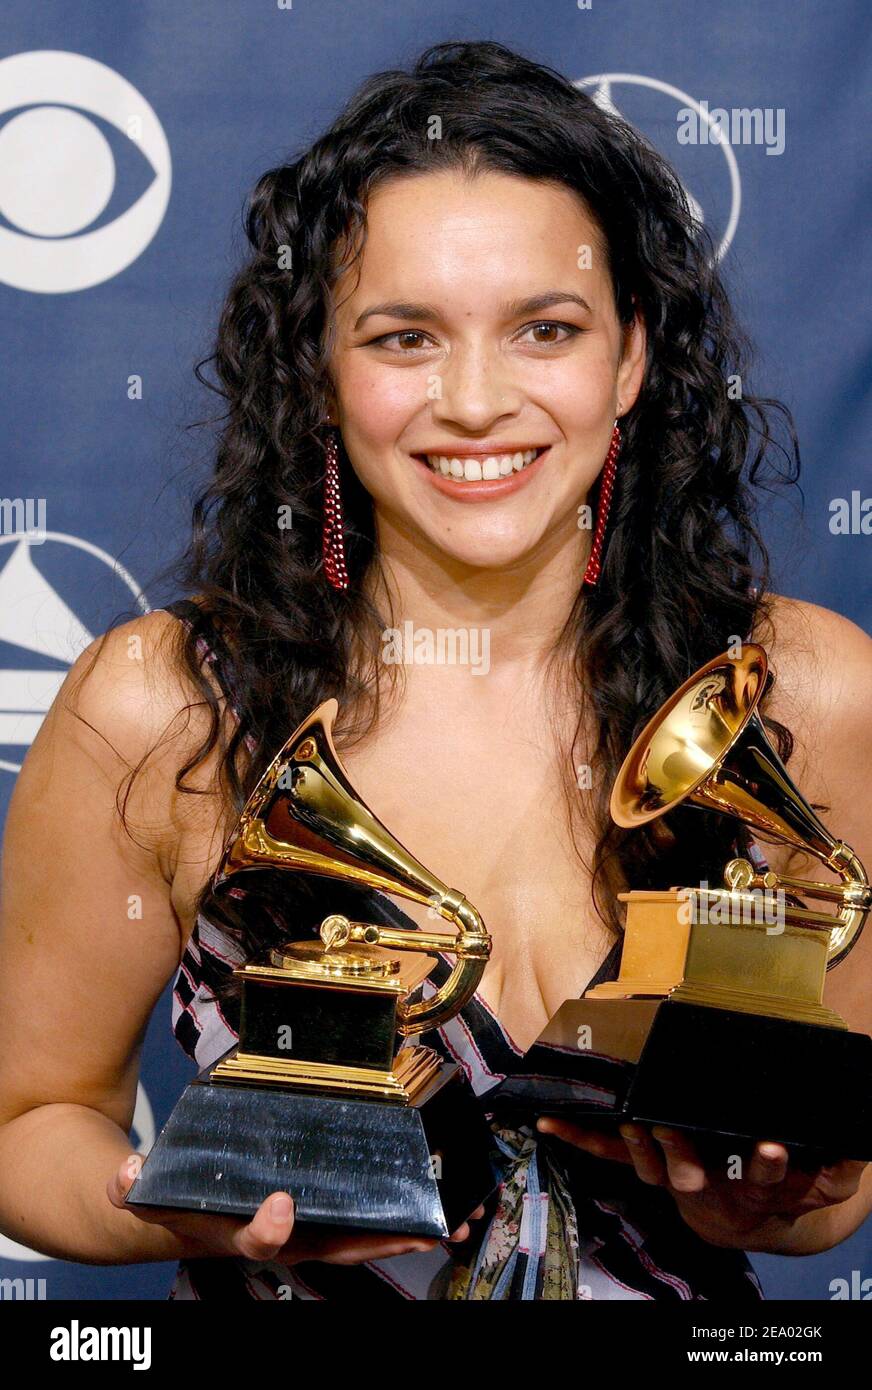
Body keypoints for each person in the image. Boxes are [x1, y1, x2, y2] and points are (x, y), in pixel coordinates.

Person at [0, 39, 869, 1301]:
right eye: (404, 337)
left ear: (627, 357)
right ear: (321, 371)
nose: (473, 399)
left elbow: (827, 1204)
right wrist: (179, 1210)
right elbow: (29, 1123)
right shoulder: (166, 706)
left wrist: (769, 1195)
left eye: (543, 329)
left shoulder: (804, 693)